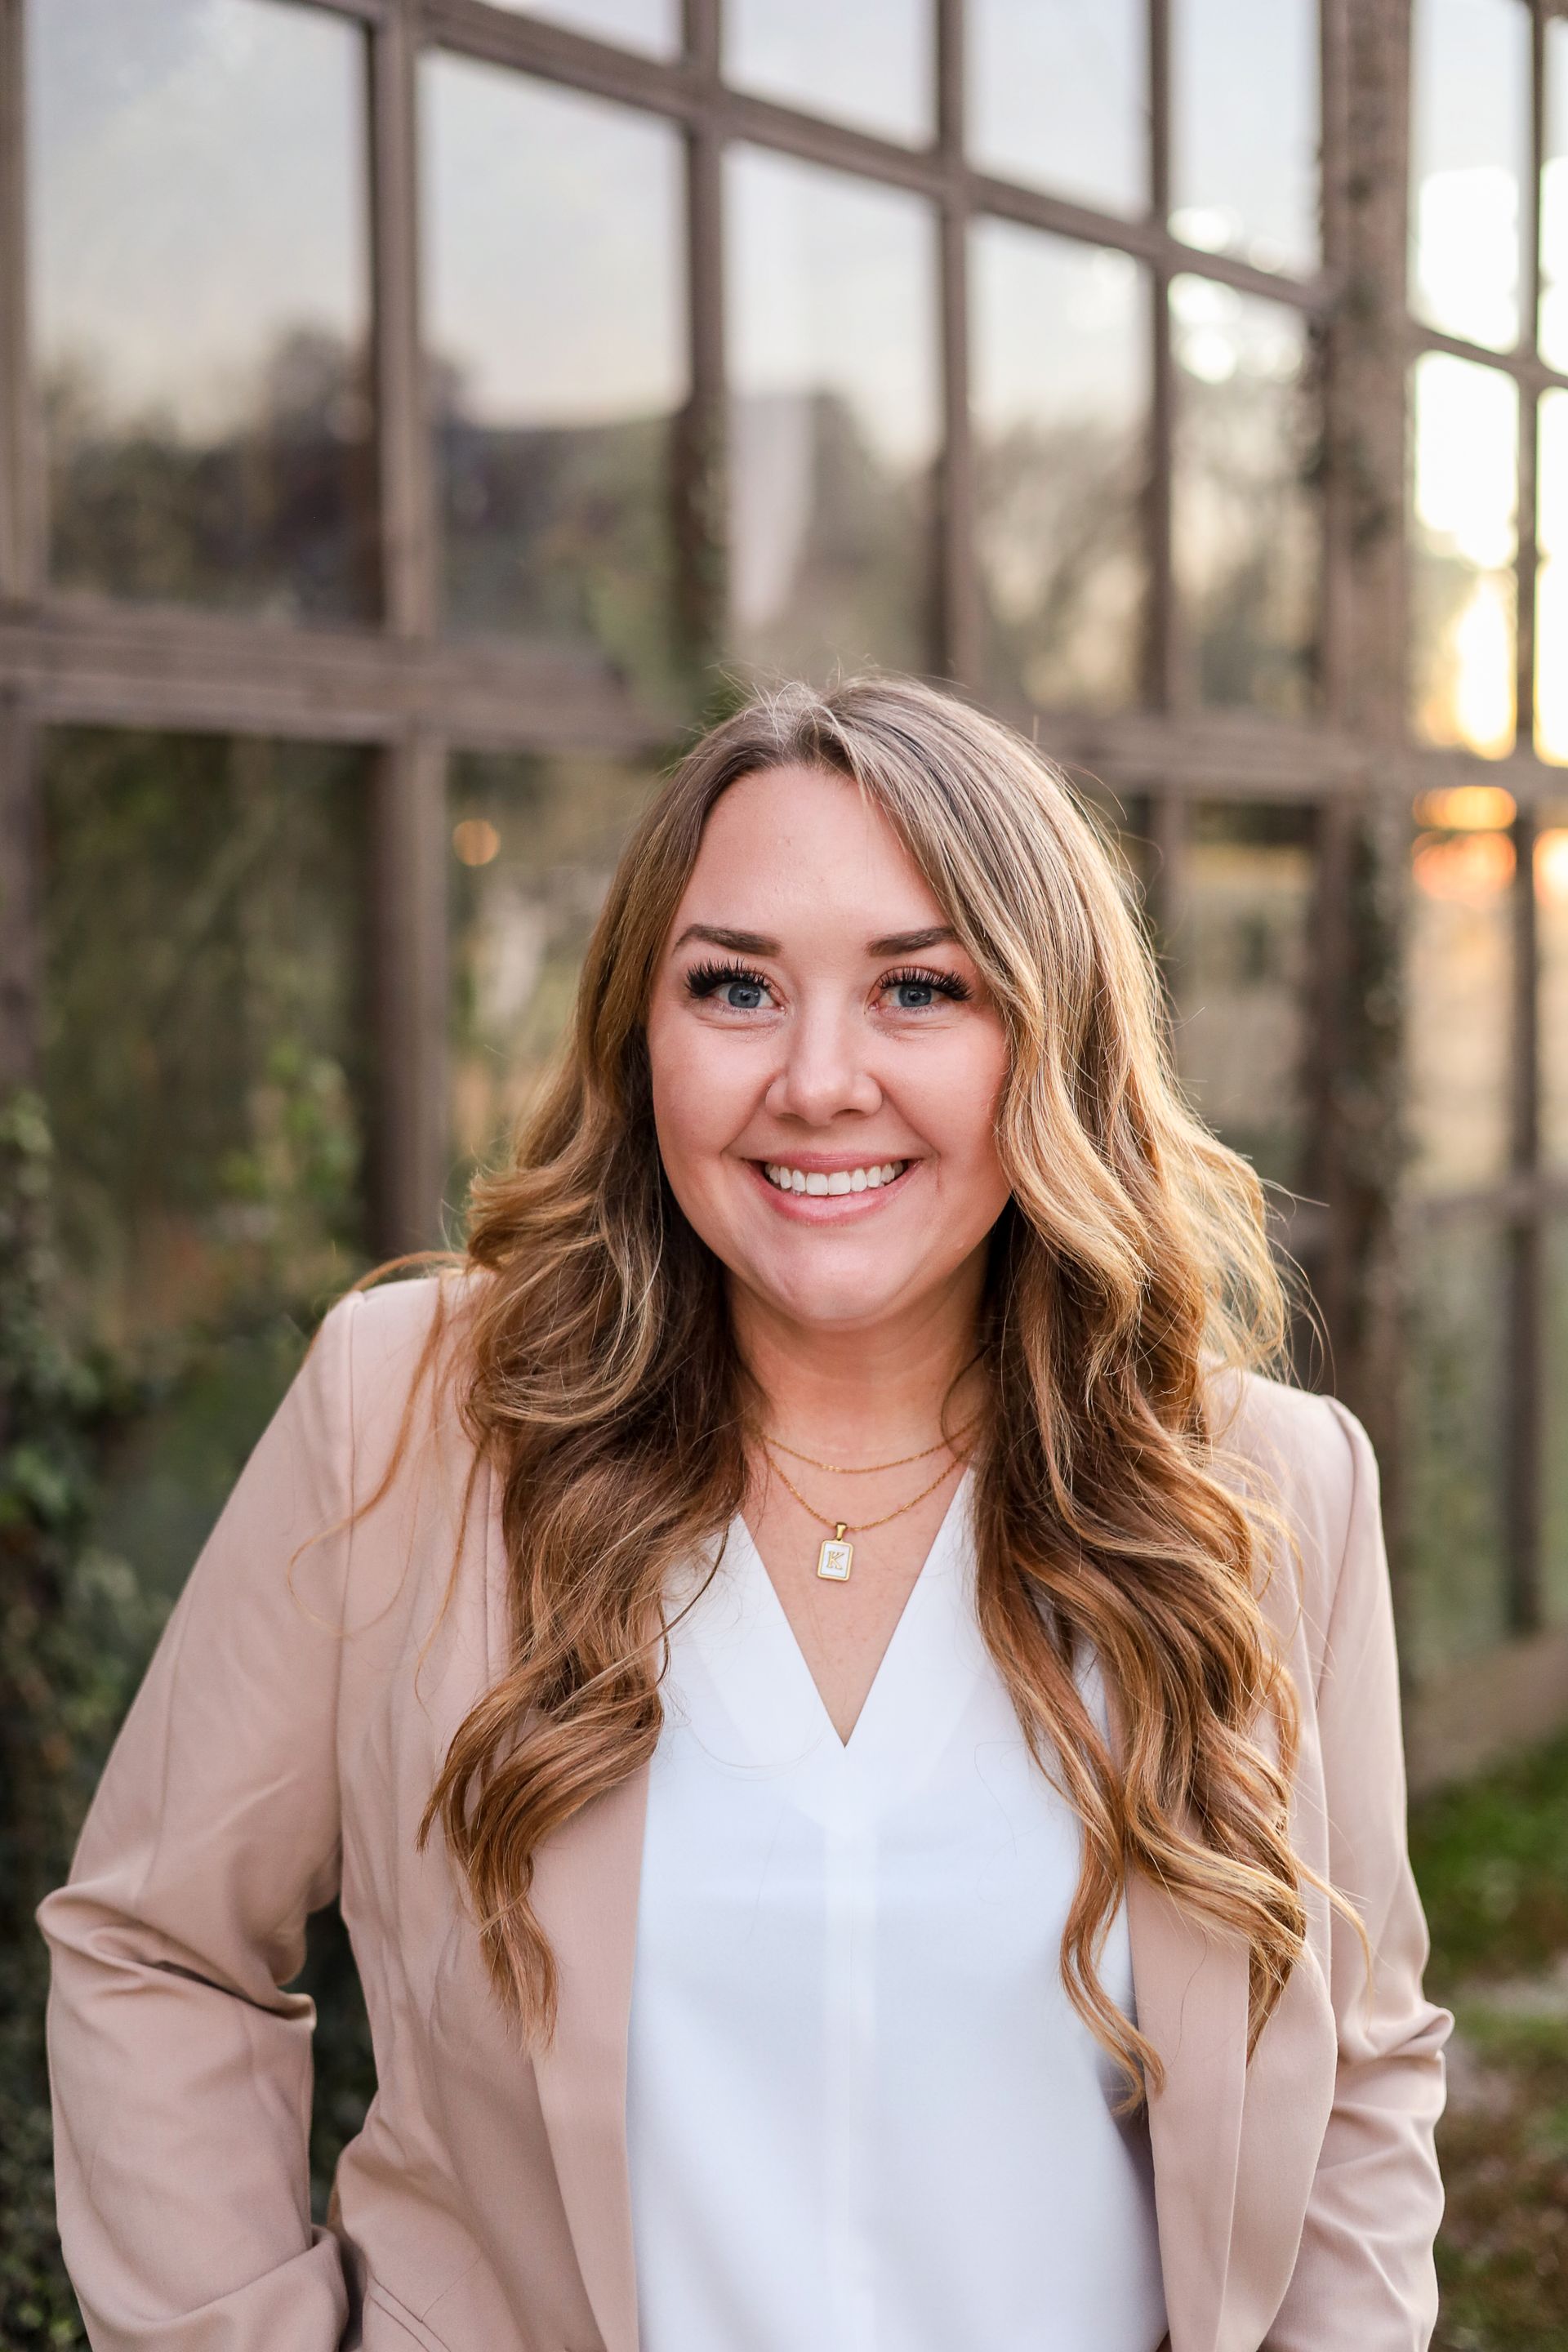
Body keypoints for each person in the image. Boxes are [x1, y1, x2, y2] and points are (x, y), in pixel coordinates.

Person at [39, 674, 1449, 2352]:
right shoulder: (410, 1419)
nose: (819, 1078)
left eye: (921, 987)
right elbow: (159, 1950)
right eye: (735, 988)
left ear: (1050, 1035)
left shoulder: (1265, 1489)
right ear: (644, 1036)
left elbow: (1357, 2058)